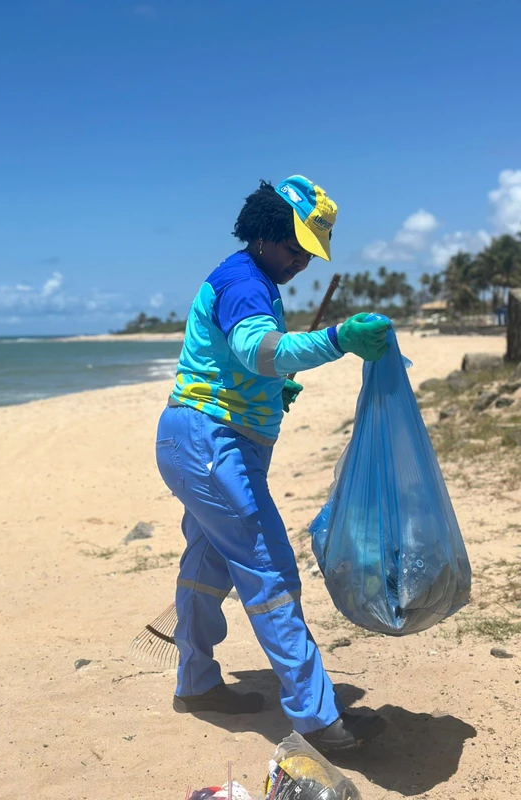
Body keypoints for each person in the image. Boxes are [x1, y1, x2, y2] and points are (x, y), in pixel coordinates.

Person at [155, 175, 389, 753]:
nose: (304, 262)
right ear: (265, 235)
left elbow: (247, 365)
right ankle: (318, 720)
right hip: (214, 443)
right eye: (296, 248)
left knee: (206, 568)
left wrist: (272, 389)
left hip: (195, 440)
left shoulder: (253, 277)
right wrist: (337, 339)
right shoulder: (243, 282)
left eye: (311, 252)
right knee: (271, 571)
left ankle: (197, 683)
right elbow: (260, 351)